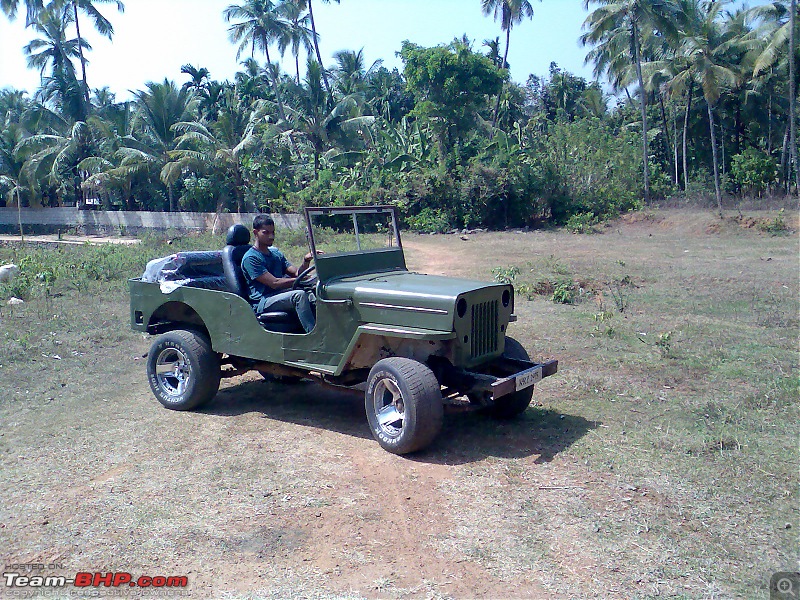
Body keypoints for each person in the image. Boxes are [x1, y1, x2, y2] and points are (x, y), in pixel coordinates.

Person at [241, 215, 316, 333]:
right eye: (266, 233)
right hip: (264, 300)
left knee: (313, 290)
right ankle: (313, 335)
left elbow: (297, 273)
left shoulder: (275, 253)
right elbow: (274, 283)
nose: (271, 236)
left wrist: (306, 261)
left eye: (273, 232)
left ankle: (325, 328)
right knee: (299, 295)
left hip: (279, 295)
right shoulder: (250, 258)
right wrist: (300, 280)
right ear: (256, 233)